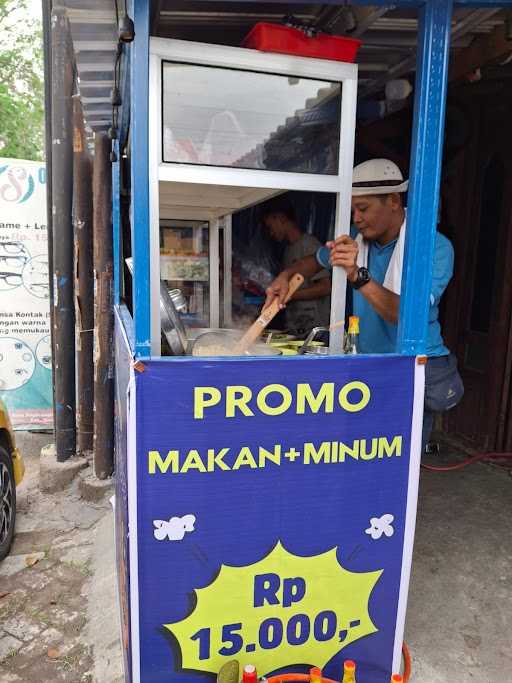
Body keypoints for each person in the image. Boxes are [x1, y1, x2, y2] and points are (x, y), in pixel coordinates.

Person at [264, 159, 463, 451]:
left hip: (411, 368)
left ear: (394, 201)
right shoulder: (359, 241)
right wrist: (285, 277)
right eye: (353, 209)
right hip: (368, 363)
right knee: (363, 450)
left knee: (402, 458)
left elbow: (403, 314)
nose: (356, 218)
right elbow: (314, 261)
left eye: (364, 208)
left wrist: (356, 275)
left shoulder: (434, 248)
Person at [261, 197, 331, 336]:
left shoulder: (309, 245)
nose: (271, 233)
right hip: (296, 328)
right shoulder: (288, 250)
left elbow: (325, 287)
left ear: (280, 218)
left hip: (314, 331)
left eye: (270, 227)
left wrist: (291, 295)